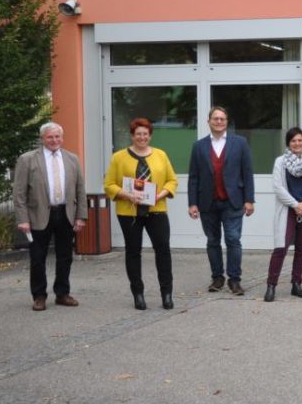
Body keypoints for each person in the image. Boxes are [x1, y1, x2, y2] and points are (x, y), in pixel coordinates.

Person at [103, 118, 179, 310]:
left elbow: (172, 180)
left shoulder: (161, 155)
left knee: (163, 250)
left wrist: (160, 195)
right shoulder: (119, 157)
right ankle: (138, 294)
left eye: (145, 134)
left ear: (150, 135)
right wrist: (127, 195)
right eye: (138, 134)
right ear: (132, 136)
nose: (142, 137)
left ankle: (167, 293)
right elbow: (109, 185)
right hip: (129, 213)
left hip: (157, 210)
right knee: (133, 251)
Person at [13, 122, 88, 311]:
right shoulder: (27, 159)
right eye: (50, 137)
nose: (54, 140)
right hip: (38, 215)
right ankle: (39, 296)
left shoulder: (72, 159)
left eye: (57, 136)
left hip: (66, 214)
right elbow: (19, 192)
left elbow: (80, 190)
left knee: (65, 256)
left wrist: (81, 216)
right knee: (38, 258)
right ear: (42, 138)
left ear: (62, 138)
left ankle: (62, 294)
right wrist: (22, 219)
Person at [188, 106, 255, 295]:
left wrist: (249, 199)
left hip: (233, 201)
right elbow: (194, 177)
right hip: (207, 202)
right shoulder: (199, 146)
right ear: (208, 121)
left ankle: (234, 280)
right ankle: (217, 278)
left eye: (222, 119)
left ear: (227, 122)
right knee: (212, 241)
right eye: (215, 119)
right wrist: (192, 203)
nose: (219, 122)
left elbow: (247, 173)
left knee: (233, 240)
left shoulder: (240, 143)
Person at [264, 127, 302, 302]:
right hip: (288, 210)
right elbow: (278, 187)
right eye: (293, 141)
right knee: (281, 248)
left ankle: (296, 284)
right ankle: (271, 285)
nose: (297, 143)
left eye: (300, 140)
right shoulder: (280, 162)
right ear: (288, 143)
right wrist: (295, 205)